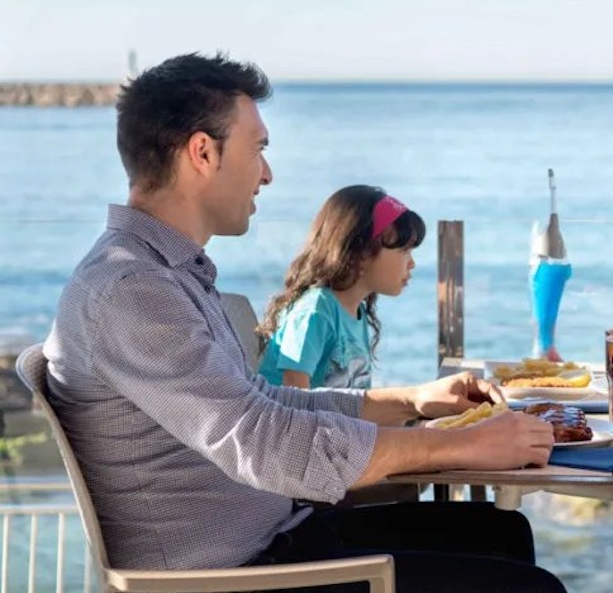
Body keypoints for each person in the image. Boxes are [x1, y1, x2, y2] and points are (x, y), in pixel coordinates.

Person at [43, 53, 566, 593]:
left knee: (501, 533)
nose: (267, 174)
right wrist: (460, 446)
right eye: (259, 149)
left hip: (279, 539)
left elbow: (265, 404)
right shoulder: (132, 290)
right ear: (202, 153)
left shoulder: (166, 275)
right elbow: (267, 444)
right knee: (532, 588)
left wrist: (413, 401)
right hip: (238, 579)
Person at [257, 185, 424, 389]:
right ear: (361, 252)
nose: (412, 263)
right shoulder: (316, 310)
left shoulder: (355, 312)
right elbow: (293, 394)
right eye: (404, 251)